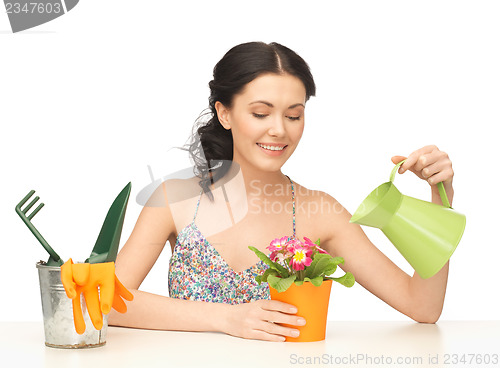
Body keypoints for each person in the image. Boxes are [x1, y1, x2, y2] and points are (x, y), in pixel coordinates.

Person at [108, 41, 455, 342]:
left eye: (293, 116)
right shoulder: (173, 199)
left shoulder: (320, 211)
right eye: (261, 113)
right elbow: (107, 300)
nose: (278, 130)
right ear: (224, 113)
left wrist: (440, 203)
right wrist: (225, 319)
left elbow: (422, 306)